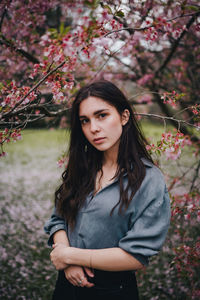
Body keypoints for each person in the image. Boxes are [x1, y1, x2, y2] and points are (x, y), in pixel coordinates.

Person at [44, 80, 171, 300]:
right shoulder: (82, 168)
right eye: (85, 120)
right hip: (66, 286)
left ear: (124, 117)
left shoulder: (149, 180)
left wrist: (71, 256)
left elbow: (136, 255)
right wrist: (67, 262)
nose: (93, 128)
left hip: (112, 291)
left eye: (102, 115)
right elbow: (59, 219)